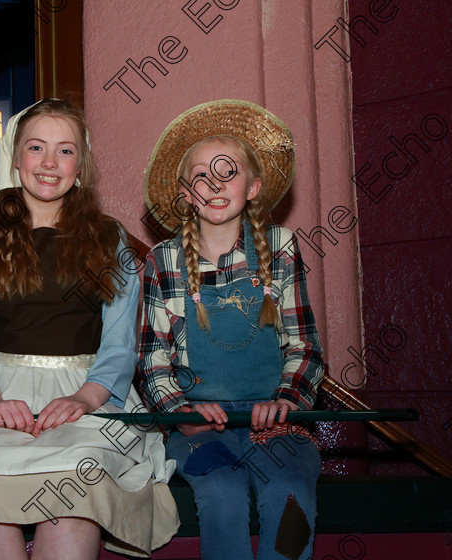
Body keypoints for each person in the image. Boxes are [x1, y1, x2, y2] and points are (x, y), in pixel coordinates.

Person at [0, 98, 179, 560]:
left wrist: (84, 398)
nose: (49, 163)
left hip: (87, 398)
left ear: (81, 164)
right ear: (16, 158)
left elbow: (119, 346)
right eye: (37, 148)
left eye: (65, 150)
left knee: (78, 491)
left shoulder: (110, 237)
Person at [138, 99, 326, 560]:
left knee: (288, 496)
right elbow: (151, 358)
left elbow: (304, 345)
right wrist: (181, 413)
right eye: (200, 175)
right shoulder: (162, 262)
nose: (214, 185)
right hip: (200, 427)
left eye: (229, 172)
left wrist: (286, 401)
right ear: (185, 192)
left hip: (276, 426)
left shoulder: (280, 249)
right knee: (221, 496)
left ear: (254, 187)